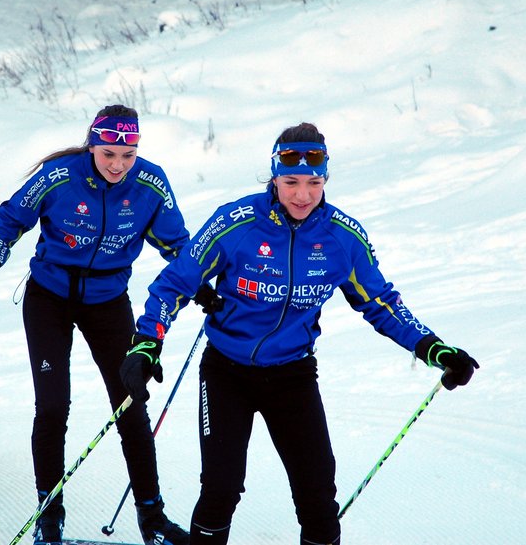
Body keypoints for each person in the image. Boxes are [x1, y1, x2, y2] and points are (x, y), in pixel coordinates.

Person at [119, 122, 478, 545]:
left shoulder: (341, 238)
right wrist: (147, 343)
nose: (303, 194)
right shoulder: (235, 223)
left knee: (317, 496)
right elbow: (175, 283)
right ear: (274, 177)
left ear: (325, 179)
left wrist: (432, 348)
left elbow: (380, 302)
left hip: (292, 375)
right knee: (221, 488)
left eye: (314, 182)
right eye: (291, 182)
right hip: (226, 374)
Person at [0, 105, 191, 545]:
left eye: (128, 155)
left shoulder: (151, 183)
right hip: (50, 299)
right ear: (93, 145)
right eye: (109, 154)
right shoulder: (59, 175)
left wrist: (208, 289)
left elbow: (179, 245)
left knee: (130, 403)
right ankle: (49, 517)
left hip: (107, 301)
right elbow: (9, 222)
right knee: (52, 406)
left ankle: (152, 518)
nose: (119, 165)